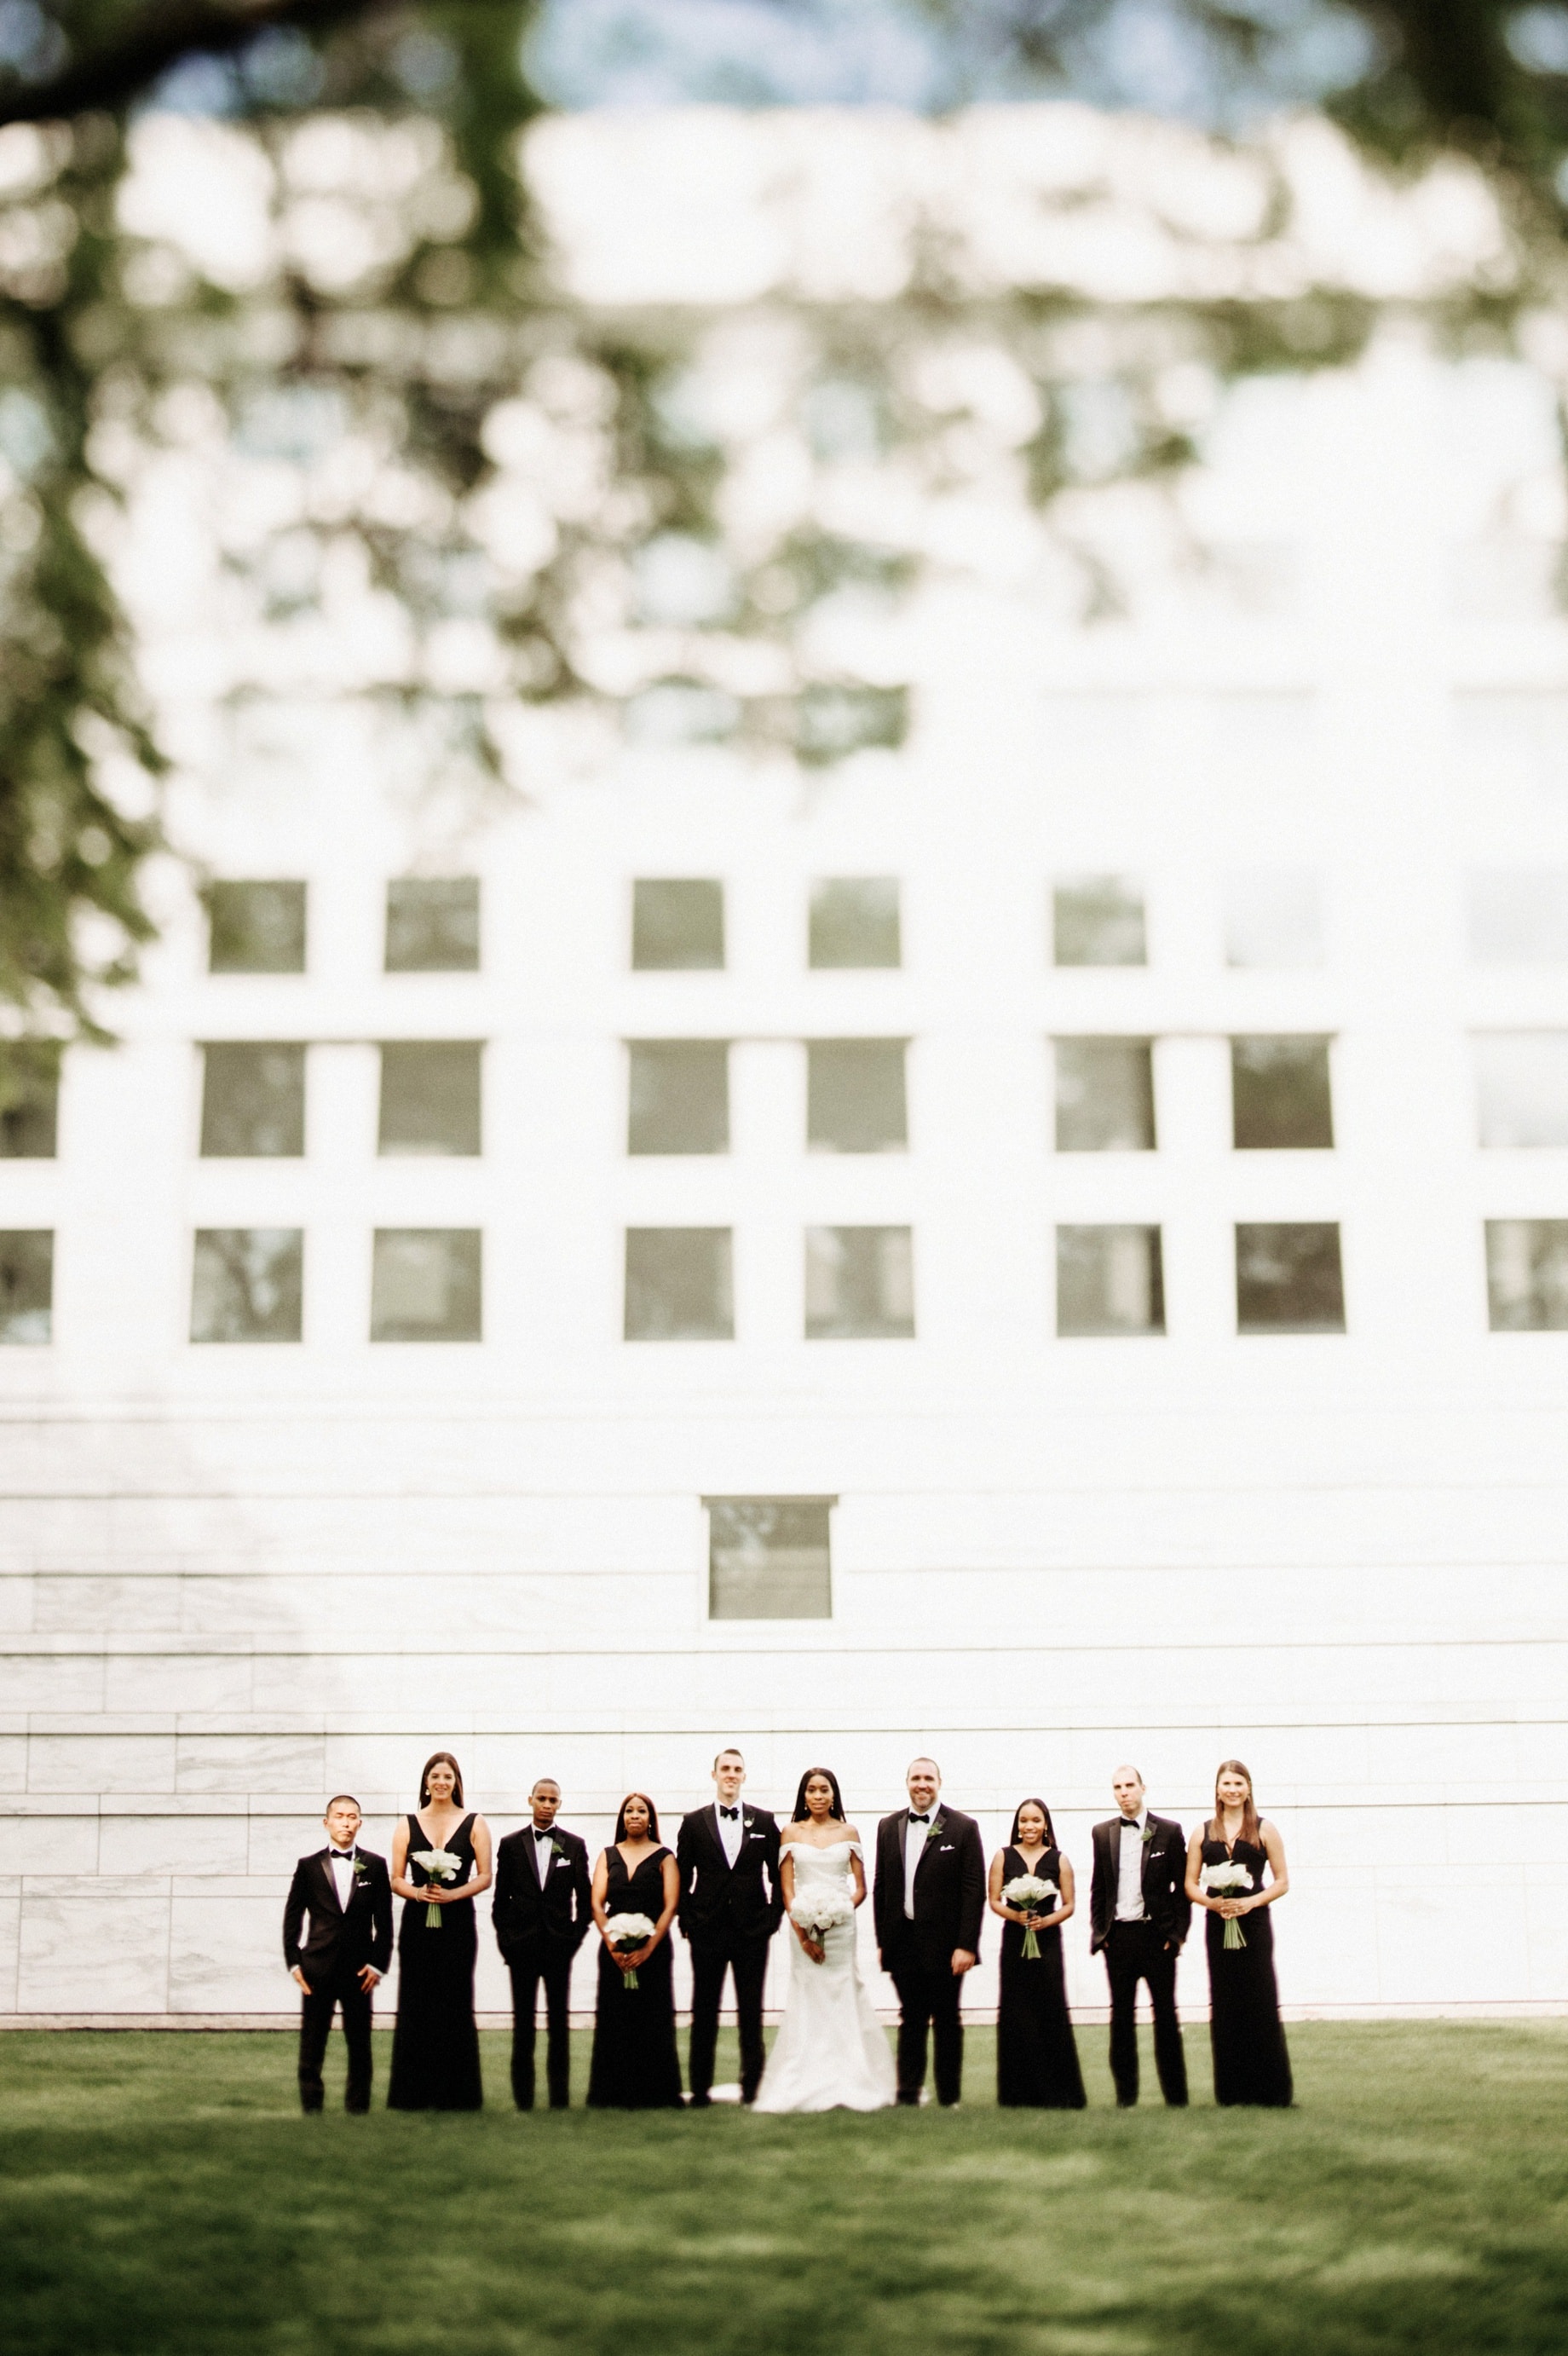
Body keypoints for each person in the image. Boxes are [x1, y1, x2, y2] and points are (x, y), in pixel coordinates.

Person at [752, 1768, 896, 2112]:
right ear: (804, 1796)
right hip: (801, 1926)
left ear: (834, 1795)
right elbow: (787, 1889)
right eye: (812, 1790)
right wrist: (804, 1934)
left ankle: (851, 2075)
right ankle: (806, 2076)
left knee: (842, 1993)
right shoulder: (791, 1832)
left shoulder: (848, 1832)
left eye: (824, 1790)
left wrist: (838, 1911)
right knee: (808, 1994)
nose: (818, 1796)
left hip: (842, 1928)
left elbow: (861, 1886)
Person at [872, 1757, 985, 2107]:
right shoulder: (888, 1826)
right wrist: (882, 1940)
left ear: (940, 1782)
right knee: (911, 2018)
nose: (922, 1785)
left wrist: (966, 1944)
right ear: (907, 1782)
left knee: (947, 2018)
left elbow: (973, 1889)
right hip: (902, 1942)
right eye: (916, 1778)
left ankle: (949, 2097)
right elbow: (881, 1886)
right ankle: (908, 2093)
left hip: (947, 1945)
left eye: (929, 1778)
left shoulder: (963, 1827)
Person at [677, 1747, 783, 2107]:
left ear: (744, 1776)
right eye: (725, 1768)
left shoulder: (765, 1822)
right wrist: (688, 1919)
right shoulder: (693, 1822)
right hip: (706, 1931)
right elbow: (681, 1875)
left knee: (751, 2013)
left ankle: (753, 2087)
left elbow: (779, 1874)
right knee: (703, 2011)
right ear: (714, 1774)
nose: (731, 1774)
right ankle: (701, 2090)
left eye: (737, 1768)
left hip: (752, 1931)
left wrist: (772, 1918)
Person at [1185, 1759, 1294, 2107]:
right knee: (1227, 2001)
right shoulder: (1203, 1832)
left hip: (1254, 1924)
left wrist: (1252, 1903)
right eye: (1226, 1784)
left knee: (1260, 2000)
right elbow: (1189, 1884)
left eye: (1238, 1783)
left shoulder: (1264, 1829)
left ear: (1248, 1789)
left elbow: (1282, 1881)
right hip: (1219, 1925)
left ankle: (1271, 2092)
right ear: (1217, 1789)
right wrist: (1212, 1904)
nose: (1232, 1790)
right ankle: (1232, 2093)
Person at [387, 1751, 492, 2111]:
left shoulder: (475, 1822)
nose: (441, 1783)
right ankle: (412, 2095)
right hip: (418, 1925)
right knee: (417, 2002)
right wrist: (419, 1893)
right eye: (435, 1777)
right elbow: (396, 1879)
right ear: (426, 1782)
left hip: (458, 1924)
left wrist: (453, 1895)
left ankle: (457, 2095)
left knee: (455, 2001)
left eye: (448, 1777)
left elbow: (485, 1876)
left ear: (457, 1782)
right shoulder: (407, 1823)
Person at [281, 1793, 393, 2114]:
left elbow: (384, 1922)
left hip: (359, 1972)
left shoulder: (375, 1865)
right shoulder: (308, 1867)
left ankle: (358, 2109)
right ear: (326, 1822)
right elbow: (293, 1917)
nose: (346, 1822)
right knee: (312, 2044)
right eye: (340, 1816)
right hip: (316, 1968)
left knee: (360, 2045)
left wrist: (378, 1964)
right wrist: (293, 1962)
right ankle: (311, 2108)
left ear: (360, 1822)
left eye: (352, 1816)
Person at [1088, 1764, 1190, 2108]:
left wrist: (1176, 1935)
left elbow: (1182, 1889)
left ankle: (1176, 2099)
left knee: (1166, 2016)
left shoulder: (1169, 1832)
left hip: (1156, 1938)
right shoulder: (1102, 1834)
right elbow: (1099, 1889)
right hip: (1119, 1940)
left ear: (1143, 1788)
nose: (1124, 1792)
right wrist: (1101, 1934)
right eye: (1118, 1787)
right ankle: (1126, 2099)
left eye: (1130, 1785)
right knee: (1121, 2019)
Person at [492, 1776, 593, 2111]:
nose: (547, 1805)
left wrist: (573, 1941)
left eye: (553, 1800)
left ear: (559, 1805)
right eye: (542, 1798)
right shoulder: (510, 1845)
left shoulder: (574, 1846)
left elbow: (586, 1901)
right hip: (521, 1949)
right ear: (530, 1800)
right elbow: (500, 1903)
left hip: (558, 1949)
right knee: (523, 2027)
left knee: (558, 2026)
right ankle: (523, 2100)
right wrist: (507, 1943)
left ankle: (559, 2100)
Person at [585, 1793, 683, 2110]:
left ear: (651, 1818)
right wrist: (612, 1944)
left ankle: (655, 2093)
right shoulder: (607, 1855)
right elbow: (597, 1903)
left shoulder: (665, 1857)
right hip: (614, 1951)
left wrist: (649, 1947)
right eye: (629, 1811)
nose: (635, 1815)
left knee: (652, 2017)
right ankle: (612, 2093)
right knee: (616, 2017)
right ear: (622, 1818)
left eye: (642, 1811)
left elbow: (670, 1906)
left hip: (653, 1949)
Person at [989, 1798, 1087, 2110]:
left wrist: (1046, 1921)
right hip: (1016, 1940)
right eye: (1023, 1821)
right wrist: (1014, 1916)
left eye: (1035, 1820)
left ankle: (1058, 2092)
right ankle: (1017, 2094)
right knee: (1016, 2010)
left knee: (1050, 2008)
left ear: (1046, 1825)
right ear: (1017, 1825)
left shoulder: (1059, 1859)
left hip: (1048, 1942)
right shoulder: (1003, 1857)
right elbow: (993, 1900)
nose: (1029, 1826)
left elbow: (1069, 1904)